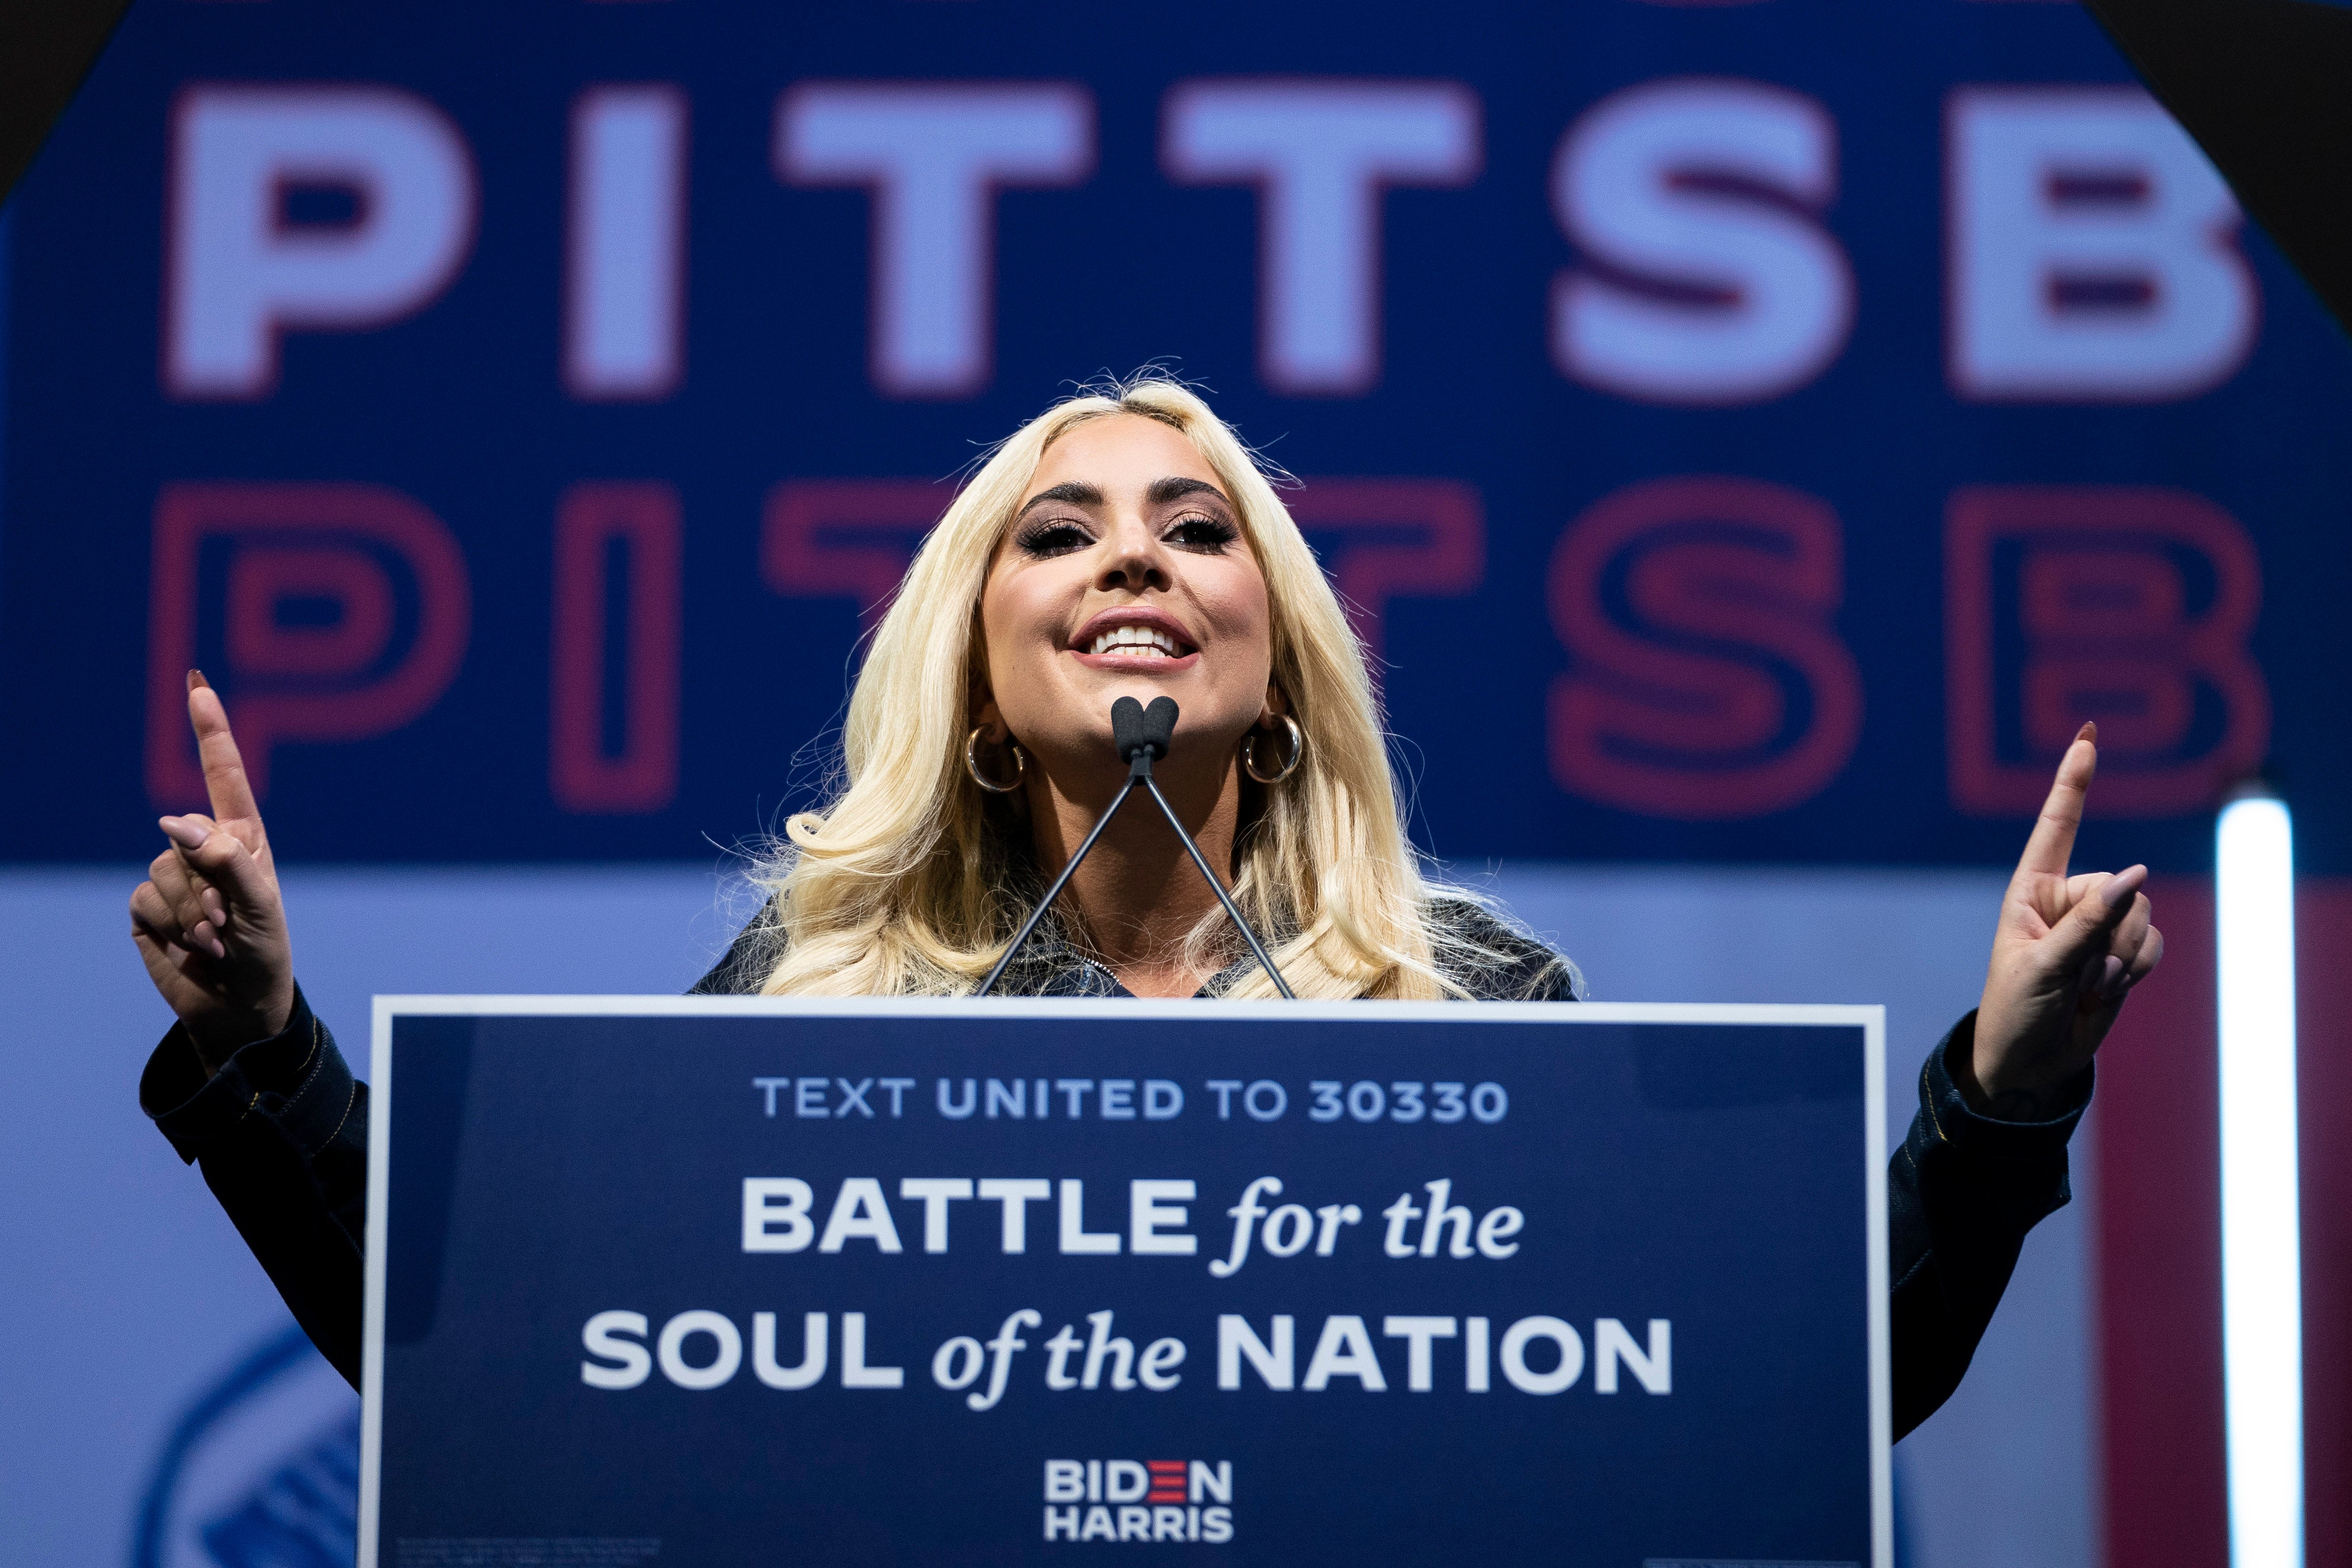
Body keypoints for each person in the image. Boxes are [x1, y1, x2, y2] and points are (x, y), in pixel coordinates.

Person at [130, 374, 2161, 1439]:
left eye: (1200, 530)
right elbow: (505, 1358)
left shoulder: (1464, 991)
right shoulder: (812, 987)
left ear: (1274, 662)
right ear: (977, 657)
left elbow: (1768, 1379)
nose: (1135, 557)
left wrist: (2001, 1088)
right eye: (1061, 529)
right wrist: (261, 1047)